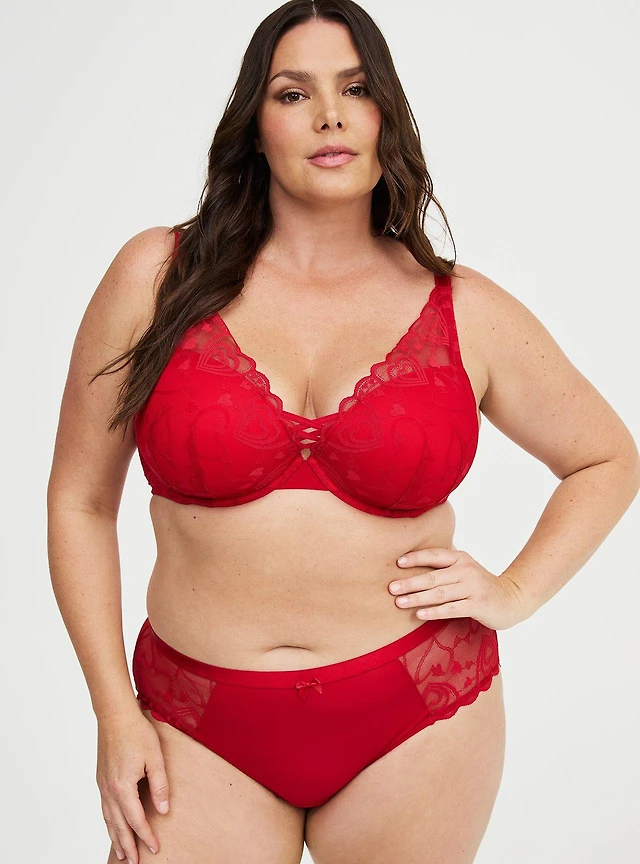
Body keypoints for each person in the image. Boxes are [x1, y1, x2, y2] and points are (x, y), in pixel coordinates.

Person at [46, 2, 640, 863]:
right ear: (255, 127)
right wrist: (112, 713)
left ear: (384, 115)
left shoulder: (465, 310)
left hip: (418, 718)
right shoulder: (156, 277)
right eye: (293, 93)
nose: (329, 114)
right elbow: (78, 500)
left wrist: (515, 592)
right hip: (194, 724)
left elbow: (607, 457)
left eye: (355, 89)